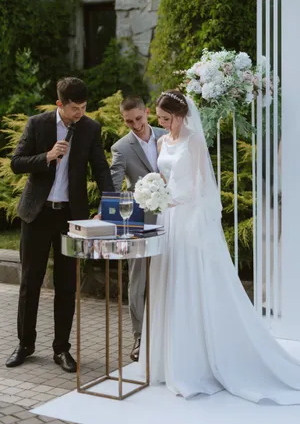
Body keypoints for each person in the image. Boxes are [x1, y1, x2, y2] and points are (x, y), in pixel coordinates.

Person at [139, 89, 300, 404]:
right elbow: (161, 176)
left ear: (182, 116)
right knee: (166, 284)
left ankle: (193, 362)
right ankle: (164, 361)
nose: (162, 124)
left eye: (166, 119)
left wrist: (177, 199)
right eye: (159, 118)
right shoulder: (161, 142)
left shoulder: (194, 142)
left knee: (188, 285)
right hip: (167, 221)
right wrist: (154, 192)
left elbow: (203, 186)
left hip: (187, 219)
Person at [5, 77, 114, 372]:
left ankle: (61, 349)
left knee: (67, 285)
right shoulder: (37, 124)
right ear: (59, 104)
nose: (79, 113)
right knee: (30, 283)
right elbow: (16, 162)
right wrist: (48, 156)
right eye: (74, 108)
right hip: (37, 215)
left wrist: (110, 206)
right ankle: (25, 344)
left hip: (71, 216)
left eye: (83, 107)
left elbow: (101, 169)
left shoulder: (90, 129)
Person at [97, 96, 166, 361]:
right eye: (129, 121)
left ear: (147, 112)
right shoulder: (120, 147)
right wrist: (105, 210)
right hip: (140, 220)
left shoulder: (166, 134)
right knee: (138, 279)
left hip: (173, 216)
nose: (135, 125)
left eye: (139, 118)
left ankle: (167, 332)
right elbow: (114, 185)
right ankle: (139, 337)